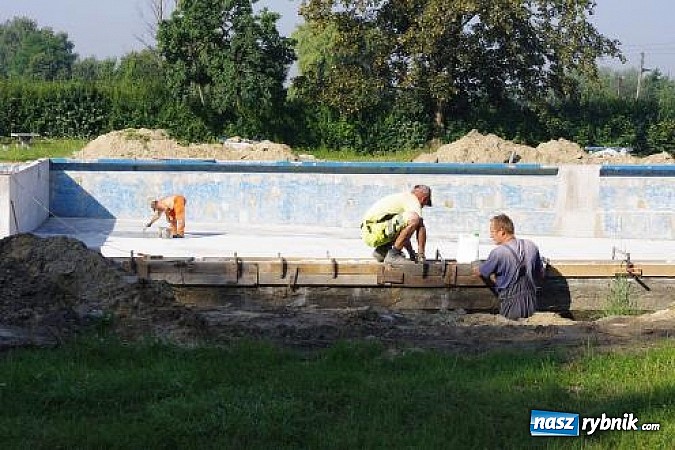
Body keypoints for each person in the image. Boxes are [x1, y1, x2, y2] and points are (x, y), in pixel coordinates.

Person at [474, 214, 545, 320]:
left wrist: (475, 265)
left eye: (492, 232)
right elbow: (541, 273)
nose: (491, 236)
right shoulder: (531, 245)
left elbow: (482, 272)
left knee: (510, 327)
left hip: (511, 306)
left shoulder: (498, 252)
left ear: (502, 231)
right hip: (531, 303)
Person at [360, 185, 432, 264]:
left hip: (371, 231)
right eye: (424, 204)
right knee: (415, 218)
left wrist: (411, 253)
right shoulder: (413, 200)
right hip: (374, 230)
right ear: (424, 199)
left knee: (405, 222)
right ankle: (393, 255)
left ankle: (382, 251)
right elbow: (420, 226)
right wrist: (421, 255)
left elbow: (404, 234)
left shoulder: (404, 199)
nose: (422, 207)